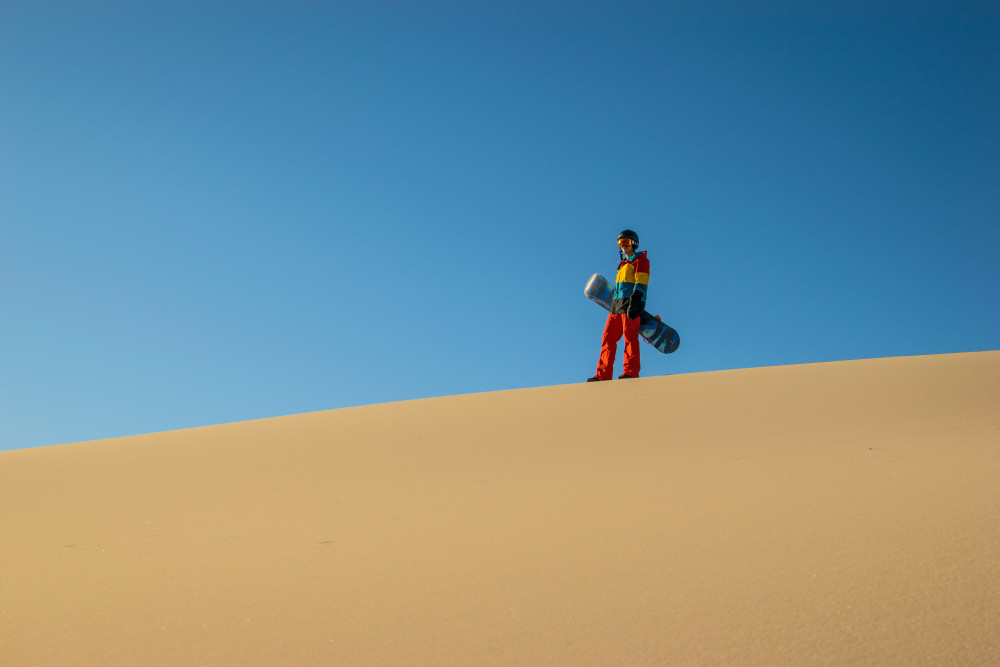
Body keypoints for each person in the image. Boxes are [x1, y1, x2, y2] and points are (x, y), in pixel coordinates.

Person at [588, 229, 649, 381]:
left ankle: (631, 372)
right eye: (620, 243)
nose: (622, 246)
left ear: (634, 243)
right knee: (607, 338)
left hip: (630, 303)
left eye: (626, 242)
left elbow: (641, 282)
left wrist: (637, 301)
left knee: (630, 337)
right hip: (615, 306)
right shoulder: (622, 265)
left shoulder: (640, 260)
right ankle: (603, 374)